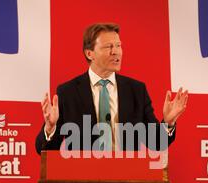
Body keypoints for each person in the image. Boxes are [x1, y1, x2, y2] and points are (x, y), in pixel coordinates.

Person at [35, 23, 188, 154]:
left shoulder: (136, 90)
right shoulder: (68, 92)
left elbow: (156, 144)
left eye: (118, 46)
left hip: (126, 180)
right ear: (90, 54)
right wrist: (50, 128)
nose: (116, 52)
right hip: (83, 180)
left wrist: (168, 123)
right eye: (108, 47)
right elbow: (46, 150)